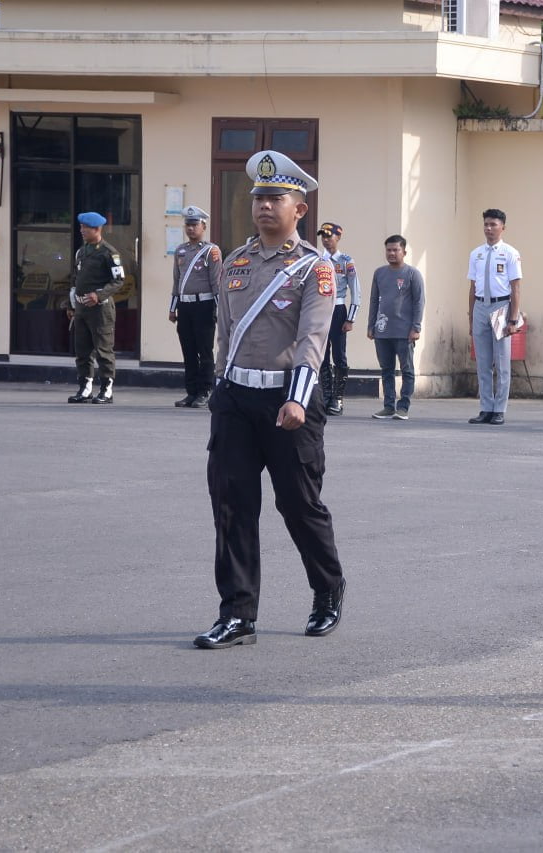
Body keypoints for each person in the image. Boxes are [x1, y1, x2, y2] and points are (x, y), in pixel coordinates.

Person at [195, 149, 345, 649]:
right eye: (258, 197)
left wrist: (299, 399)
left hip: (289, 401)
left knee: (299, 505)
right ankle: (238, 614)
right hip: (237, 399)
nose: (263, 206)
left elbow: (313, 339)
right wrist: (219, 387)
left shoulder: (314, 270)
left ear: (299, 208)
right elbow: (225, 331)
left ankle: (327, 590)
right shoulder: (234, 262)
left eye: (275, 197)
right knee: (232, 505)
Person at [467, 208, 523, 426]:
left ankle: (499, 409)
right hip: (481, 305)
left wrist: (513, 319)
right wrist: (471, 317)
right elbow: (472, 287)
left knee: (501, 362)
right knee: (482, 362)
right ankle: (485, 407)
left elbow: (516, 287)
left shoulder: (510, 253)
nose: (489, 228)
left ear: (503, 228)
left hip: (501, 305)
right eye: (486, 224)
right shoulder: (476, 254)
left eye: (493, 225)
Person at [67, 212, 125, 404]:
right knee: (82, 350)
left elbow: (119, 281)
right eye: (81, 227)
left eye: (86, 228)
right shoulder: (81, 252)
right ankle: (85, 388)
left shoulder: (109, 253)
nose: (82, 230)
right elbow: (76, 280)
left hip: (101, 309)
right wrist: (71, 305)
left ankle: (107, 389)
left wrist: (99, 295)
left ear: (97, 229)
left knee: (103, 349)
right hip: (82, 307)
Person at [168, 205, 222, 408]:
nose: (190, 228)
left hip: (205, 305)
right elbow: (177, 281)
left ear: (203, 226)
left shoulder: (210, 251)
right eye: (188, 225)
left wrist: (219, 309)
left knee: (204, 350)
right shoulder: (181, 250)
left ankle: (205, 390)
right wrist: (173, 308)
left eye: (194, 224)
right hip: (185, 306)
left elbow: (216, 282)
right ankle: (191, 392)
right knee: (188, 350)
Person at [367, 234, 425, 420]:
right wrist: (371, 325)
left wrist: (416, 327)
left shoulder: (412, 274)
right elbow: (374, 300)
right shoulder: (379, 273)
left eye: (395, 250)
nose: (391, 253)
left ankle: (403, 407)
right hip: (383, 330)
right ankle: (388, 406)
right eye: (388, 250)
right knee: (386, 370)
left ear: (404, 252)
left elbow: (419, 302)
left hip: (404, 331)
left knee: (407, 369)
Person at [318, 222, 360, 416]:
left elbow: (356, 291)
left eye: (329, 236)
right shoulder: (317, 259)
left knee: (339, 356)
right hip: (320, 309)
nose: (326, 240)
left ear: (338, 237)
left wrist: (350, 318)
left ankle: (338, 398)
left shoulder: (346, 261)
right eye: (323, 236)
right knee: (322, 354)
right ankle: (326, 396)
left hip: (338, 310)